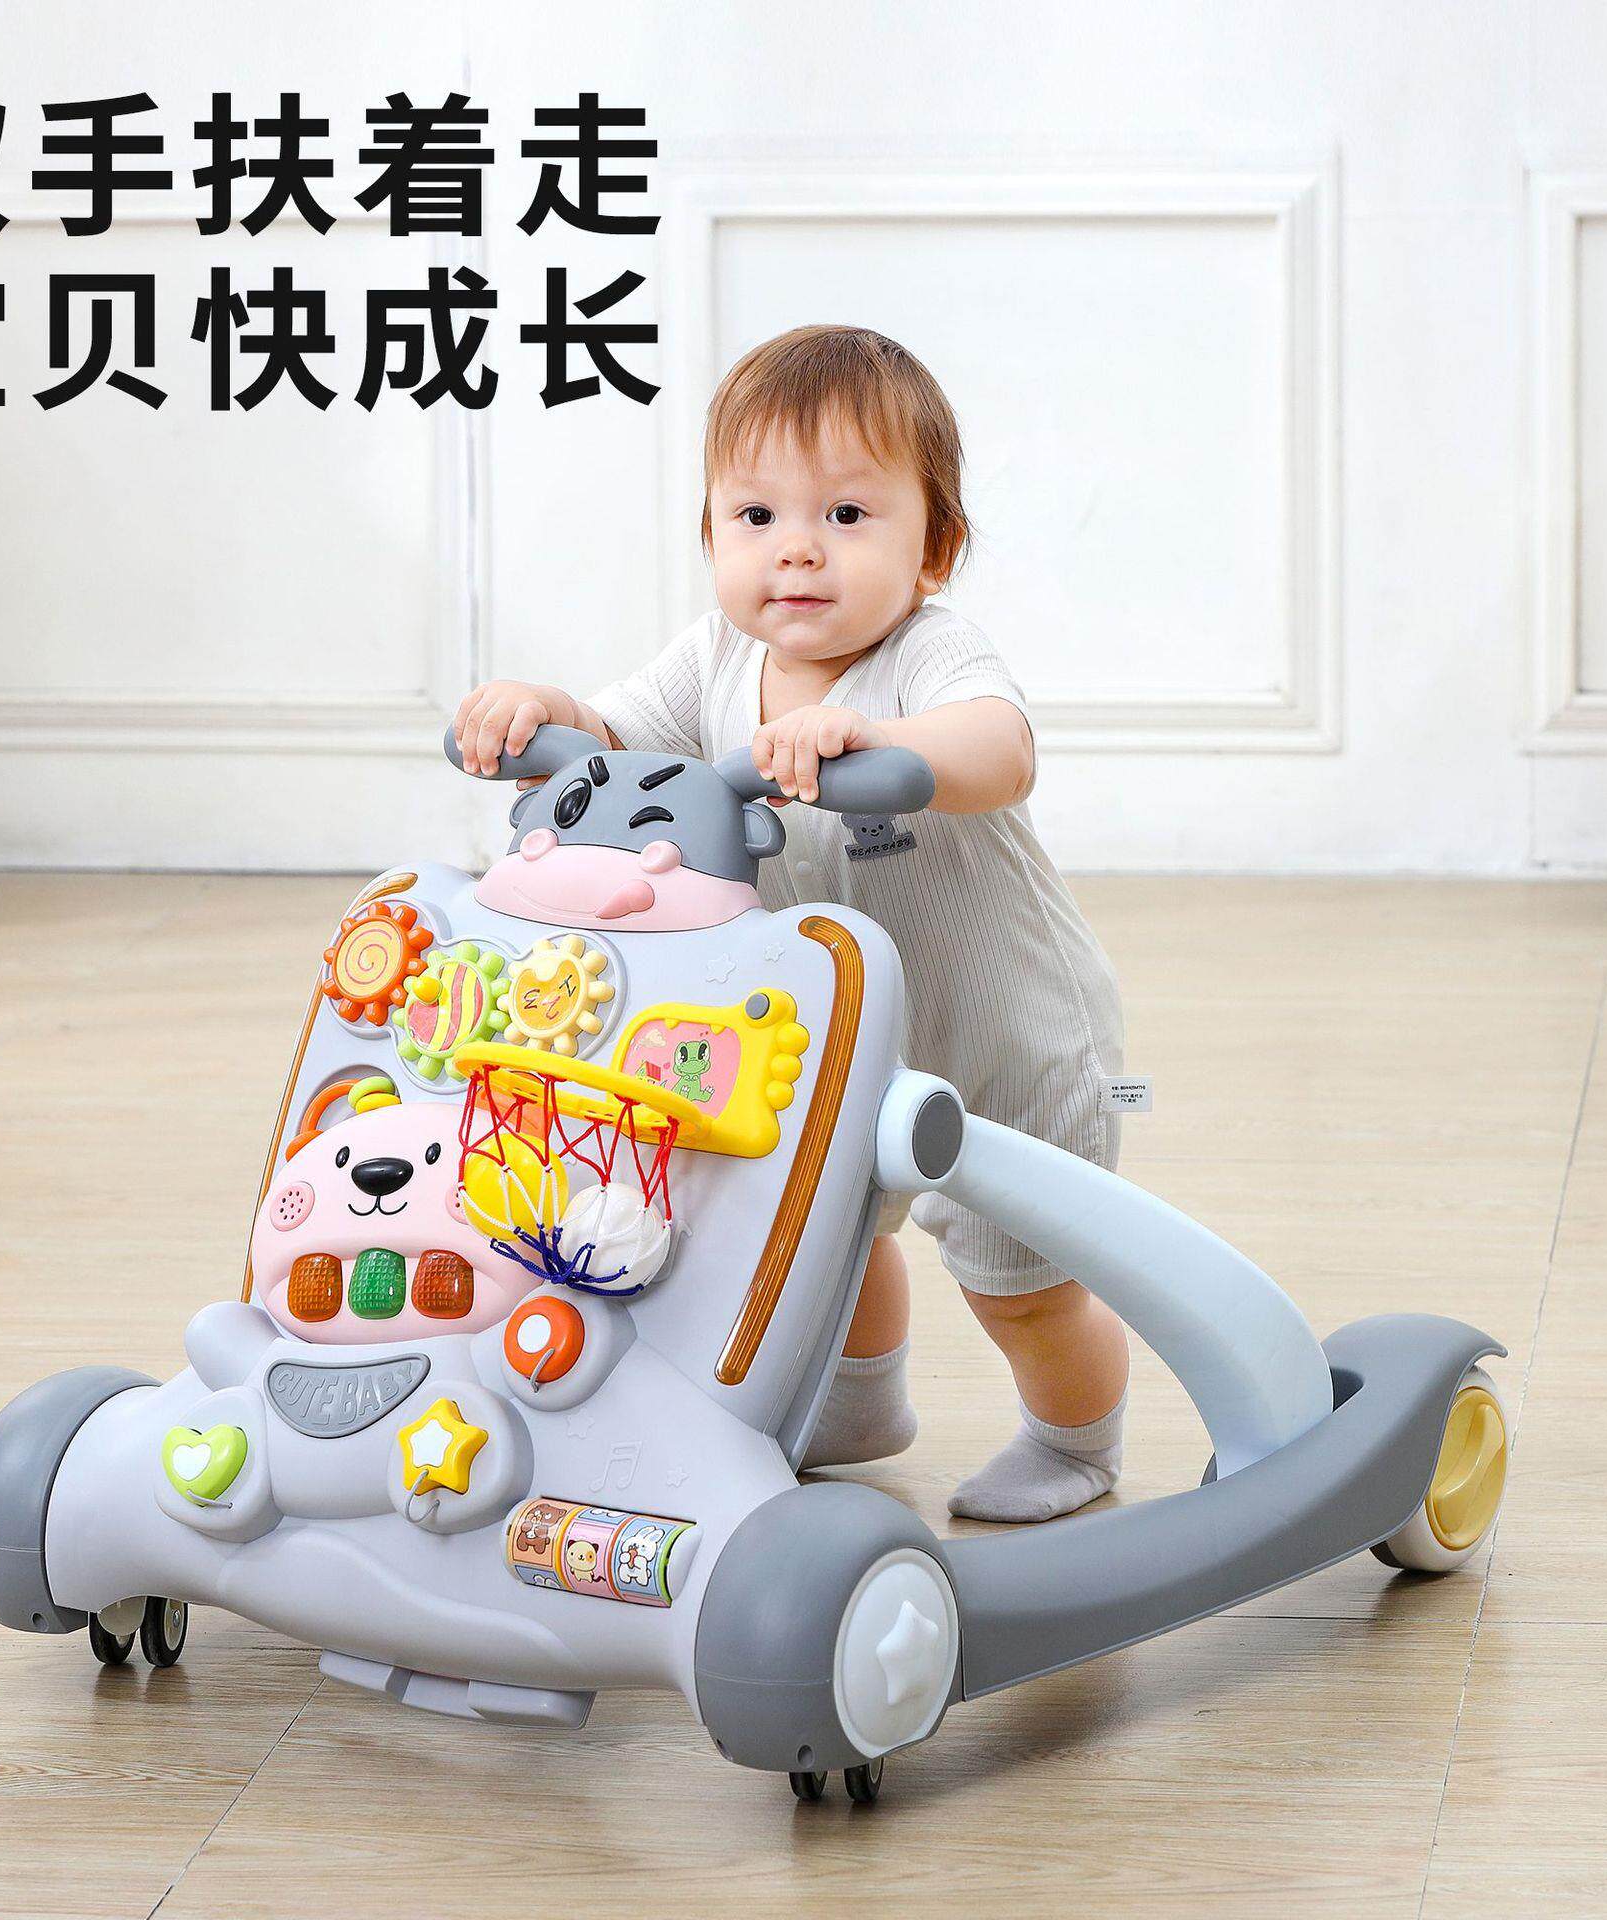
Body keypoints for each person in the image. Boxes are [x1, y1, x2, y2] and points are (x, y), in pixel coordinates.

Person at [452, 324, 1127, 1521]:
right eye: (756, 516)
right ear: (712, 536)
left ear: (935, 549)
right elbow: (612, 736)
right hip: (836, 1038)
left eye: (848, 516)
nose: (798, 549)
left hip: (1000, 1044)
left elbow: (1001, 749)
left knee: (1021, 1283)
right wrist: (536, 710)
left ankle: (1075, 1444)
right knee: (823, 1235)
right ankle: (860, 1405)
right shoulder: (718, 656)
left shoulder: (929, 655)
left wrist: (885, 743)